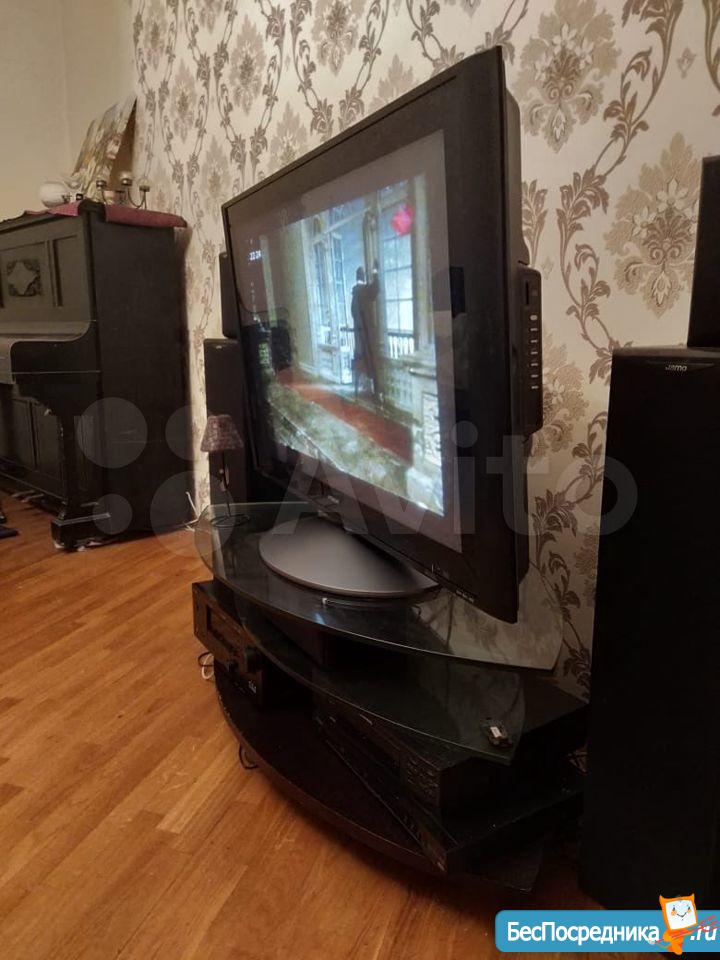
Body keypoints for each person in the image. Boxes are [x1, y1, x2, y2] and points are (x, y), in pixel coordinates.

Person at [350, 262, 380, 401]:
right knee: (373, 363)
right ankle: (376, 392)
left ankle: (360, 390)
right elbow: (376, 288)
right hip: (368, 335)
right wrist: (375, 271)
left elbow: (354, 314)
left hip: (359, 339)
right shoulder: (366, 290)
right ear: (363, 277)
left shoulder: (354, 293)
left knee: (361, 363)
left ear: (356, 278)